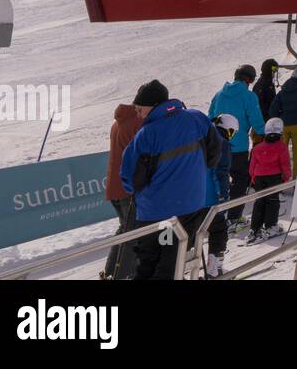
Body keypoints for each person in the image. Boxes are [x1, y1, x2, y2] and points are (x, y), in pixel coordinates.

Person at [120, 80, 223, 279]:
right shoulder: (197, 119)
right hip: (191, 206)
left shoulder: (146, 135)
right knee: (173, 259)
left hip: (159, 214)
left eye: (140, 108)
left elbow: (131, 178)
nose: (138, 113)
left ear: (154, 105)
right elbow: (214, 153)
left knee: (152, 263)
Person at [208, 65, 266, 226]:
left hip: (217, 144)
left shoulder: (219, 94)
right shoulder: (249, 96)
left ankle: (215, 216)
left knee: (219, 178)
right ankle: (234, 217)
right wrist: (264, 133)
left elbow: (210, 116)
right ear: (249, 79)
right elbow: (256, 119)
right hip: (237, 146)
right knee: (240, 179)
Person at [101, 97, 145, 279]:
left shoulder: (117, 122)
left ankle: (111, 271)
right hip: (128, 187)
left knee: (125, 229)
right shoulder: (138, 122)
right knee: (132, 233)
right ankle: (122, 275)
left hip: (114, 186)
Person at [247, 118, 292, 241]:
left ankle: (254, 228)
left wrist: (252, 177)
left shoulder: (257, 148)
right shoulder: (281, 147)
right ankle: (270, 225)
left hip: (259, 177)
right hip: (274, 177)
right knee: (272, 201)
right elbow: (285, 164)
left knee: (260, 201)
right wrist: (286, 177)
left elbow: (252, 165)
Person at [203, 114, 236, 277]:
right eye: (232, 132)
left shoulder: (204, 135)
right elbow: (221, 172)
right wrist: (223, 195)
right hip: (211, 195)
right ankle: (214, 267)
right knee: (219, 229)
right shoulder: (222, 144)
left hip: (194, 194)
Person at [271, 64, 297, 177]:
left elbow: (273, 109)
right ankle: (296, 180)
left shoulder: (282, 91)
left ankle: (281, 179)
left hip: (284, 125)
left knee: (282, 153)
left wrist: (278, 120)